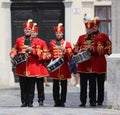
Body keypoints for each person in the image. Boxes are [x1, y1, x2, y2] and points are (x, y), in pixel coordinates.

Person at [10, 19, 44, 107]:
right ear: (24, 30)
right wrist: (13, 54)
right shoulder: (19, 39)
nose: (27, 31)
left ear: (31, 30)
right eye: (26, 29)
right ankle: (24, 102)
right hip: (21, 66)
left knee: (31, 86)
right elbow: (15, 49)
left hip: (32, 66)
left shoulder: (36, 41)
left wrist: (33, 51)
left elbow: (40, 52)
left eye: (29, 29)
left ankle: (30, 102)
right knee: (23, 85)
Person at [73, 20, 97, 107]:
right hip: (82, 65)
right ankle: (83, 101)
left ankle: (92, 101)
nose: (89, 30)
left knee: (92, 85)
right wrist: (76, 50)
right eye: (87, 29)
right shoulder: (81, 37)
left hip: (92, 65)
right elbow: (76, 47)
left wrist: (91, 48)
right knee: (83, 86)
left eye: (90, 29)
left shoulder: (97, 38)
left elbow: (99, 49)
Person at [48, 23, 73, 107]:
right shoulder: (52, 43)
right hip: (55, 67)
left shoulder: (67, 44)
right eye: (57, 33)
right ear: (55, 34)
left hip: (63, 66)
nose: (58, 34)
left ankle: (62, 101)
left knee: (64, 85)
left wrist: (65, 51)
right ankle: (56, 101)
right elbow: (50, 53)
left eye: (60, 33)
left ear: (62, 34)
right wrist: (48, 56)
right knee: (55, 85)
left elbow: (70, 56)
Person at [91, 17, 112, 106]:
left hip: (100, 62)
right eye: (93, 26)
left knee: (100, 83)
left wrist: (101, 50)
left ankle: (100, 100)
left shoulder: (104, 36)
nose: (94, 27)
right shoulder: (88, 36)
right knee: (92, 84)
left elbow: (110, 48)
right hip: (91, 62)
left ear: (98, 26)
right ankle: (92, 100)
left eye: (95, 26)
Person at [30, 23, 50, 106]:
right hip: (30, 67)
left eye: (34, 32)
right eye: (32, 32)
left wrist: (37, 53)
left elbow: (46, 53)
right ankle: (30, 101)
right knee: (30, 87)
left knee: (40, 86)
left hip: (39, 67)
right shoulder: (26, 41)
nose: (33, 33)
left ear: (37, 33)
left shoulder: (42, 42)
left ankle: (41, 100)